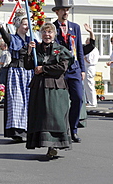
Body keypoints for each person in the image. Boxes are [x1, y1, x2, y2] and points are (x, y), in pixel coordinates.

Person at [24, 23, 73, 158]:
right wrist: (29, 51)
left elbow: (62, 67)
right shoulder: (36, 48)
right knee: (41, 116)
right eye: (44, 32)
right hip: (39, 87)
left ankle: (55, 144)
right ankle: (44, 143)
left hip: (55, 87)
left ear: (54, 34)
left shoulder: (61, 49)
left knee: (55, 116)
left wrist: (44, 69)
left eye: (50, 32)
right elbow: (28, 66)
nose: (47, 35)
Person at [0, 11, 34, 142]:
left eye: (28, 24)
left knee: (28, 101)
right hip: (16, 72)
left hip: (28, 72)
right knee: (16, 101)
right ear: (18, 25)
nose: (26, 27)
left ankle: (28, 128)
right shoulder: (13, 39)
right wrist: (0, 25)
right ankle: (16, 130)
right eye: (24, 24)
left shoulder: (31, 39)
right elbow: (6, 37)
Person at [52, 0, 85, 143]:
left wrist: (82, 69)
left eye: (67, 10)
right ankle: (61, 129)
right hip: (59, 69)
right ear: (57, 12)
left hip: (74, 68)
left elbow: (79, 49)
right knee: (59, 101)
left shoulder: (75, 27)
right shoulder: (52, 28)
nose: (65, 12)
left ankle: (74, 129)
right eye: (63, 10)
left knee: (78, 98)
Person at [83, 24, 99, 107]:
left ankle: (93, 102)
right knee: (87, 84)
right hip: (87, 67)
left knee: (90, 84)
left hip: (90, 67)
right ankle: (89, 100)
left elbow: (89, 60)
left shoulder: (93, 50)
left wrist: (84, 58)